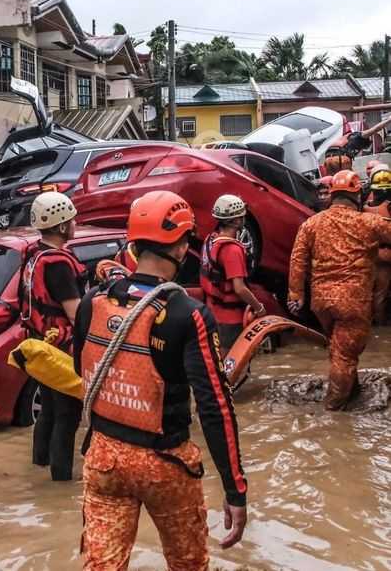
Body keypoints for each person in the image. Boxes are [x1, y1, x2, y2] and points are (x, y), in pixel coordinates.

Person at [76, 190, 248, 568]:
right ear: (182, 246)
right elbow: (215, 405)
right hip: (164, 463)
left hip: (103, 458)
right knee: (188, 563)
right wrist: (235, 489)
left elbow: (81, 371)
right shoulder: (189, 314)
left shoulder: (94, 301)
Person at [289, 169, 391, 409]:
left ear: (333, 195)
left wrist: (296, 295)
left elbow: (297, 260)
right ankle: (334, 413)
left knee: (338, 349)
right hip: (353, 301)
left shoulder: (311, 224)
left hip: (321, 302)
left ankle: (351, 392)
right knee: (345, 355)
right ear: (357, 195)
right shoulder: (368, 221)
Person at [17, 192, 86, 482]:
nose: (74, 224)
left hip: (39, 345)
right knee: (67, 414)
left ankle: (40, 463)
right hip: (60, 348)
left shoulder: (35, 255)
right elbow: (75, 313)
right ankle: (60, 480)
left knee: (48, 408)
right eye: (71, 221)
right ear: (61, 227)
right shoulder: (58, 264)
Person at [200, 195, 266, 351]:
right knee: (233, 364)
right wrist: (259, 308)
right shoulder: (232, 250)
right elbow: (239, 288)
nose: (244, 219)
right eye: (242, 216)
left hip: (211, 312)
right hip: (229, 320)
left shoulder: (210, 240)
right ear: (236, 221)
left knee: (219, 362)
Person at [366, 166, 391, 325]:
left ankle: (379, 326)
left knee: (377, 295)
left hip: (374, 255)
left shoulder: (366, 208)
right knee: (380, 296)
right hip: (385, 254)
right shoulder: (386, 208)